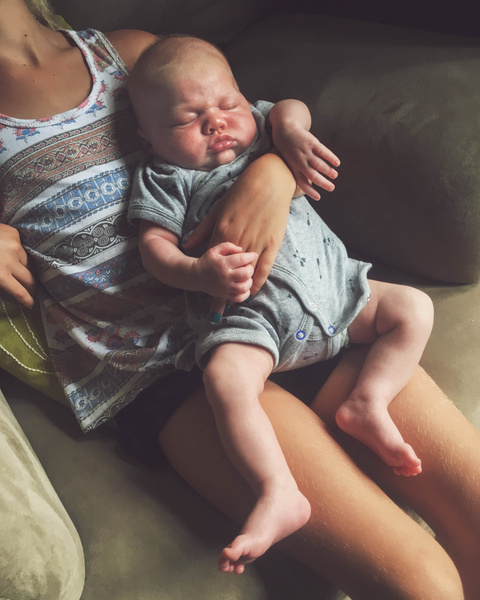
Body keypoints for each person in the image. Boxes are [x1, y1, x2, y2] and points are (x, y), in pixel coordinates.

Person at [1, 1, 480, 597]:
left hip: (294, 296)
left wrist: (272, 174)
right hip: (165, 366)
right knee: (422, 583)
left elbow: (252, 126)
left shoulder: (132, 54)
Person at [127, 36, 433, 570]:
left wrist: (290, 130)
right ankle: (278, 491)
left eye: (227, 104)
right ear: (147, 139)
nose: (216, 123)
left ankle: (369, 401)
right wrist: (197, 273)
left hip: (340, 295)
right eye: (187, 119)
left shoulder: (265, 131)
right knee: (224, 380)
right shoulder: (164, 177)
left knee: (413, 309)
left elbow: (290, 106)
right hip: (253, 322)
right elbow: (154, 249)